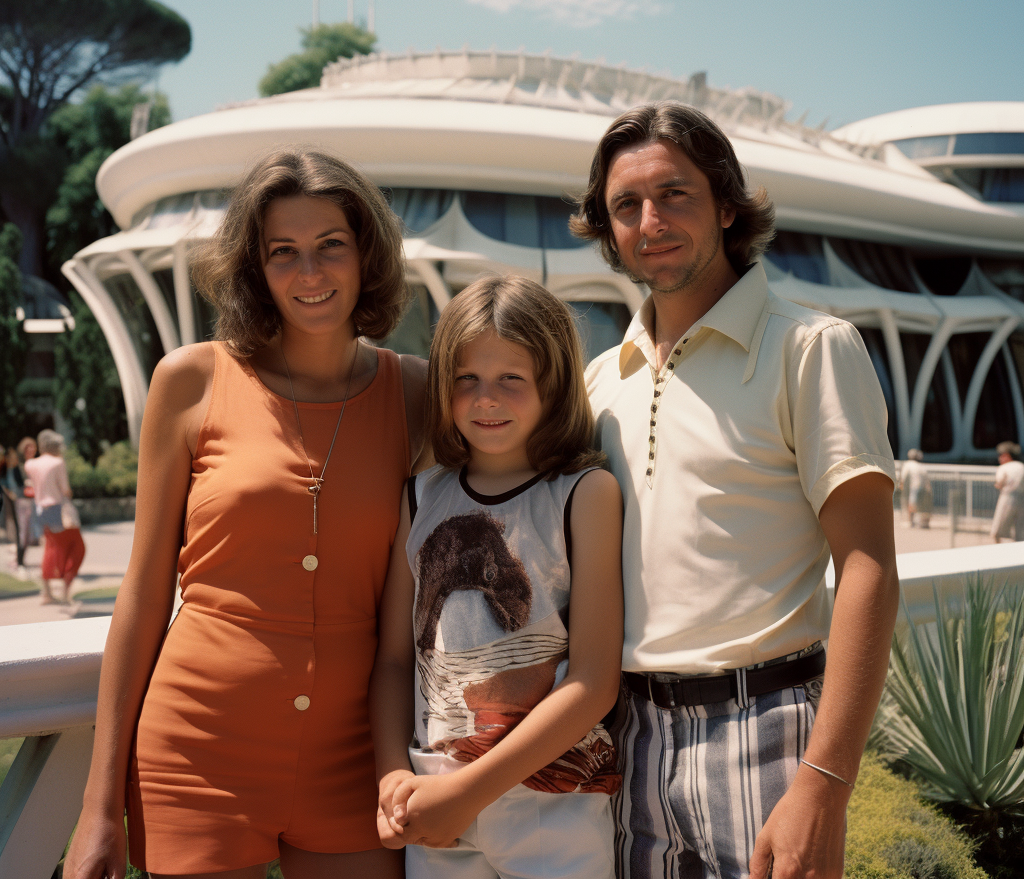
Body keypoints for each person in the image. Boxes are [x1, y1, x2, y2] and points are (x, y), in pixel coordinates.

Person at [64, 150, 427, 879]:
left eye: (332, 246)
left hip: (357, 759)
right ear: (254, 269)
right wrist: (98, 805)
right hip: (197, 751)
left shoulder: (417, 394)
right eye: (282, 253)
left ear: (367, 257)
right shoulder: (192, 380)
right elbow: (141, 595)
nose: (310, 273)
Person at [573, 102, 899, 879]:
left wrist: (824, 782)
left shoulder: (811, 349)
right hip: (628, 738)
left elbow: (869, 570)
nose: (651, 219)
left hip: (768, 737)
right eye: (626, 205)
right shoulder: (595, 384)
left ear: (726, 204)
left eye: (674, 194)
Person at [371, 276, 624, 879]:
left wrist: (470, 793)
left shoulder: (584, 494)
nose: (487, 398)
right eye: (466, 379)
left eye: (512, 377)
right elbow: (391, 661)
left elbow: (593, 681)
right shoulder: (419, 496)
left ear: (553, 383)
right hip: (435, 797)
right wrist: (393, 779)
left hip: (554, 802)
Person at [23, 428, 86, 605]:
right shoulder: (58, 463)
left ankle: (47, 592)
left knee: (51, 549)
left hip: (40, 511)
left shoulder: (30, 464)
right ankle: (65, 591)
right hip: (58, 508)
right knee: (76, 547)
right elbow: (65, 489)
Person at [990, 440, 1024, 542]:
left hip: (1008, 498)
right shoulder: (1022, 466)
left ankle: (1000, 551)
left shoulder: (1003, 467)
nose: (999, 458)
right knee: (1020, 530)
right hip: (1022, 499)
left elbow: (999, 482)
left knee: (999, 529)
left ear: (1007, 455)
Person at [900, 449, 932, 528]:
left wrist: (901, 485)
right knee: (920, 505)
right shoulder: (920, 466)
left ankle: (910, 521)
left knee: (911, 504)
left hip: (913, 487)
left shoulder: (907, 464)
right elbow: (926, 479)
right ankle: (920, 522)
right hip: (922, 488)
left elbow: (903, 476)